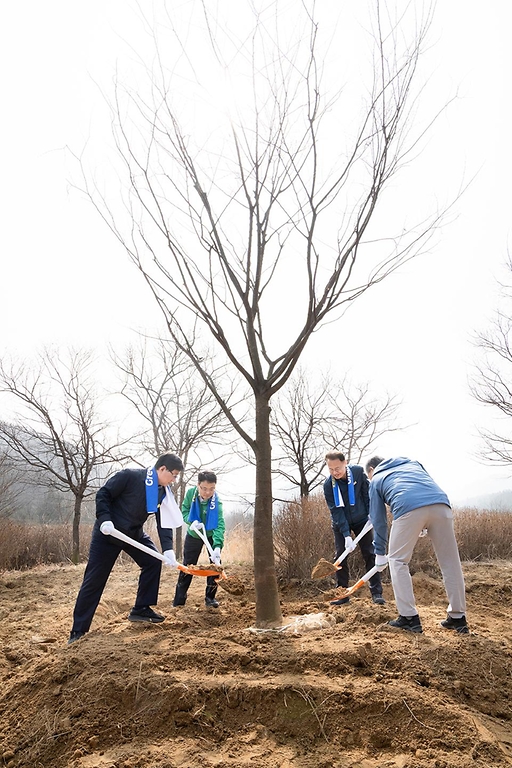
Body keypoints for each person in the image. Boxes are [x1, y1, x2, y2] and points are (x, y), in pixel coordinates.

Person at [68, 453, 185, 645]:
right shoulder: (130, 476)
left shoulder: (163, 491)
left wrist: (167, 549)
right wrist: (105, 519)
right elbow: (103, 494)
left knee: (153, 561)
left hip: (133, 533)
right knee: (94, 580)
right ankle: (78, 631)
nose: (174, 479)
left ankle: (141, 609)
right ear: (162, 469)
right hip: (108, 532)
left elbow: (163, 522)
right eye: (173, 474)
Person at [366, 456, 468, 635]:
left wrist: (380, 552)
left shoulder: (376, 479)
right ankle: (458, 618)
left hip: (407, 508)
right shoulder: (412, 463)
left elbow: (379, 520)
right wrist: (423, 524)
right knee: (450, 562)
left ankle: (409, 618)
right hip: (441, 505)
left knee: (397, 561)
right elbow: (424, 487)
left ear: (372, 469)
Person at [323, 451, 385, 606]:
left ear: (345, 462)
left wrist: (372, 514)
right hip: (341, 523)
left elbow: (367, 494)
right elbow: (335, 511)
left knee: (370, 554)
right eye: (330, 469)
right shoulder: (328, 485)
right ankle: (342, 593)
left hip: (362, 520)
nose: (334, 472)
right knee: (340, 557)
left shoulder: (357, 472)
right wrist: (345, 535)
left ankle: (376, 592)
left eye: (337, 468)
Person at [173, 470, 225, 609]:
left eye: (212, 489)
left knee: (215, 566)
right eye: (204, 488)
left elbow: (219, 524)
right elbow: (184, 510)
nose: (208, 493)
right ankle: (179, 600)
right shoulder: (191, 494)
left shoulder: (216, 501)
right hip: (194, 534)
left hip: (210, 535)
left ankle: (210, 598)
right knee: (187, 566)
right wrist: (190, 521)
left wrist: (217, 546)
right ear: (198, 485)